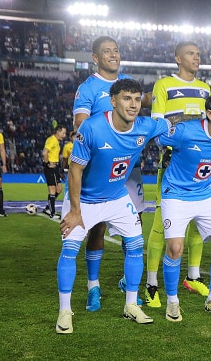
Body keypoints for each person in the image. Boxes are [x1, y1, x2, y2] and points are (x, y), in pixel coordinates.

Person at [56, 79, 170, 334]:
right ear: (113, 101)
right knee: (70, 248)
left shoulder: (145, 126)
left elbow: (172, 123)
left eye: (137, 99)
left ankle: (131, 304)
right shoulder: (93, 128)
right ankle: (65, 311)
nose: (133, 105)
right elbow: (75, 171)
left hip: (118, 197)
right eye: (127, 98)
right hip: (84, 199)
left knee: (135, 244)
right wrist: (75, 211)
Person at [72, 36, 148, 311]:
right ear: (95, 58)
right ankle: (93, 287)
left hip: (130, 167)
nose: (113, 55)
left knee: (135, 226)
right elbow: (80, 122)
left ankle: (129, 282)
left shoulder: (127, 83)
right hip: (101, 168)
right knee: (97, 228)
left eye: (116, 50)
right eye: (107, 51)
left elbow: (146, 112)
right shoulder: (88, 88)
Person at [158, 91, 211, 321]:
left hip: (204, 194)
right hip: (175, 193)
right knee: (175, 248)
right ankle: (172, 302)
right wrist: (172, 121)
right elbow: (159, 137)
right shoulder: (186, 131)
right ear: (210, 114)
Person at [145, 41, 211, 308]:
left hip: (201, 164)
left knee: (198, 223)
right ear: (177, 58)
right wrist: (182, 126)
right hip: (173, 163)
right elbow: (158, 126)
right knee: (162, 225)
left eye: (198, 54)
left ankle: (192, 276)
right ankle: (151, 284)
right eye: (191, 54)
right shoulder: (163, 85)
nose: (197, 57)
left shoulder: (206, 89)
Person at [42, 125, 67, 219]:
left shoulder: (56, 141)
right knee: (52, 189)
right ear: (58, 131)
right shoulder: (51, 140)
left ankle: (48, 207)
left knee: (59, 189)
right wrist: (47, 164)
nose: (64, 135)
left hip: (55, 167)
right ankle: (52, 213)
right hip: (50, 167)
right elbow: (44, 152)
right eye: (63, 133)